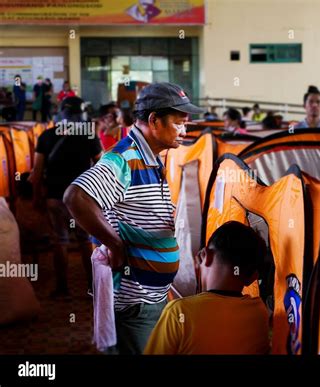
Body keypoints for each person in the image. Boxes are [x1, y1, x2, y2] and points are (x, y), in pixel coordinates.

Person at [63, 82, 204, 355]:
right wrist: (115, 244)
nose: (185, 131)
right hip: (134, 302)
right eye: (179, 123)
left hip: (151, 298)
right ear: (154, 120)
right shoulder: (124, 158)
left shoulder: (150, 157)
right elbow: (76, 197)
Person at [144, 221, 270, 354]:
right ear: (252, 278)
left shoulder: (178, 312)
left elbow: (206, 307)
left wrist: (202, 275)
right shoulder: (259, 314)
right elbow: (213, 307)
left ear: (207, 256)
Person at [29, 96, 102, 297]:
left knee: (59, 241)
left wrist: (37, 197)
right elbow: (103, 168)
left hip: (55, 198)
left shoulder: (46, 136)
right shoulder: (89, 135)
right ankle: (92, 288)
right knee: (85, 240)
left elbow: (36, 173)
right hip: (81, 200)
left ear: (60, 114)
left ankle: (62, 288)